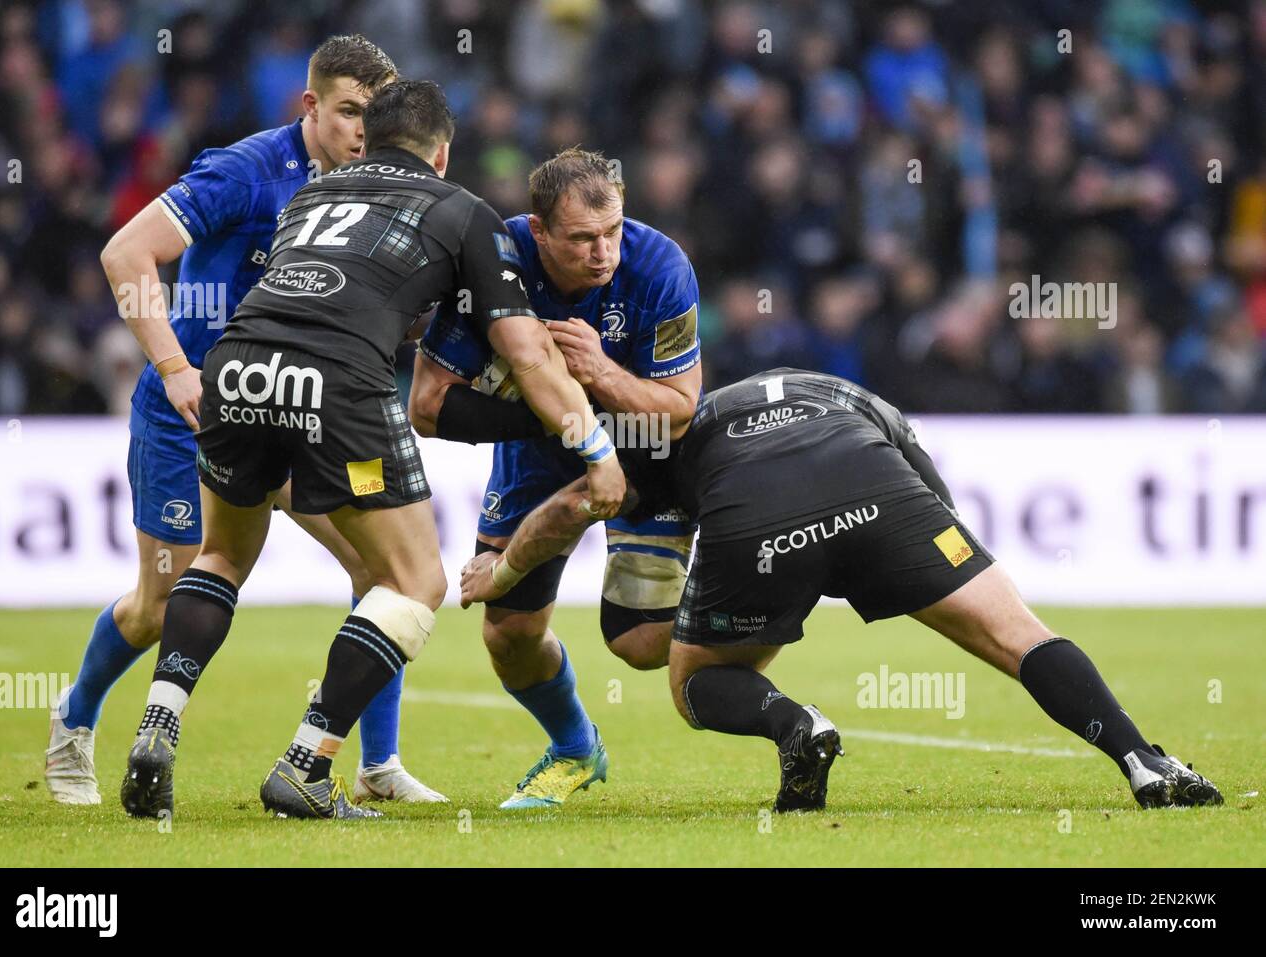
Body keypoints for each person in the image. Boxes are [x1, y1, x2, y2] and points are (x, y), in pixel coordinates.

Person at [117, 78, 625, 821]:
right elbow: (530, 356)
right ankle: (307, 763)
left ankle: (158, 721)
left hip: (236, 364)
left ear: (373, 138)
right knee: (412, 579)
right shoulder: (463, 212)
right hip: (337, 383)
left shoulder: (313, 195)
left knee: (221, 556)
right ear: (442, 152)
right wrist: (596, 448)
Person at [460, 368, 1225, 812]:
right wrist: (931, 559)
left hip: (757, 518)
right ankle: (1145, 761)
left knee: (693, 683)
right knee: (1019, 633)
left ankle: (798, 724)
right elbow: (929, 481)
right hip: (884, 491)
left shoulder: (678, 431)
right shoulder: (849, 392)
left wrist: (505, 571)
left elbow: (585, 522)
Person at [51, 35, 445, 807]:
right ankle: (73, 722)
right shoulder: (247, 171)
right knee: (158, 602)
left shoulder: (370, 185)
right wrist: (173, 368)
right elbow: (126, 255)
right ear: (311, 106)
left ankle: (376, 763)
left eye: (377, 114)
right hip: (194, 413)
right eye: (348, 113)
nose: (364, 131)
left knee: (385, 576)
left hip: (301, 412)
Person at [407, 147, 703, 808]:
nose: (604, 254)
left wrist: (598, 377)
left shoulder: (660, 266)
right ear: (538, 232)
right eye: (582, 239)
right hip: (539, 451)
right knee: (507, 635)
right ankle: (576, 748)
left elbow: (681, 408)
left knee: (644, 643)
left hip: (643, 448)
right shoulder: (492, 260)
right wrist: (560, 420)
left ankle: (737, 598)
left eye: (612, 233)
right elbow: (426, 407)